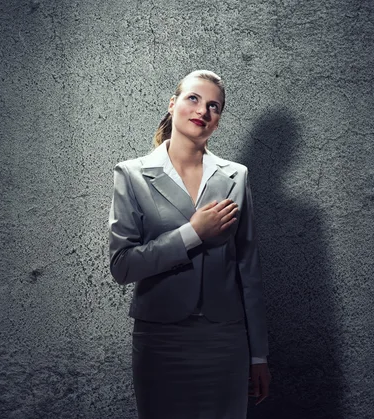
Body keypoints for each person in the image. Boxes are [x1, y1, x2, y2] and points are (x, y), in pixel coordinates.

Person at [108, 70, 270, 419]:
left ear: (219, 120)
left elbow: (249, 268)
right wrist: (193, 233)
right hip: (160, 339)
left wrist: (259, 354)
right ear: (173, 104)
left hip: (225, 339)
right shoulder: (132, 174)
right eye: (193, 98)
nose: (203, 110)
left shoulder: (235, 176)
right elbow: (122, 265)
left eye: (214, 106)